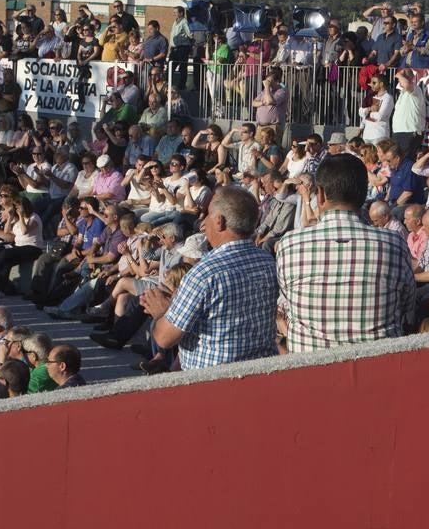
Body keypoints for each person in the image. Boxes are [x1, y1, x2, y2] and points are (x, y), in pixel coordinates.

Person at [275, 154, 415, 352]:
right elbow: (408, 307)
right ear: (362, 195)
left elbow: (288, 300)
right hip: (379, 368)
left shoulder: (289, 245)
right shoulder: (394, 244)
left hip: (308, 370)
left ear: (320, 194)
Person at [140, 186, 278, 369]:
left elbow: (165, 338)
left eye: (207, 215)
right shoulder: (268, 262)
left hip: (213, 381)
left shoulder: (203, 274)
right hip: (261, 372)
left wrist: (161, 312)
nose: (203, 223)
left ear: (219, 222)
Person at [391, 70, 426, 158]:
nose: (399, 82)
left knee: (406, 162)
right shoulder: (402, 93)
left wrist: (399, 74)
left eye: (401, 79)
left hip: (409, 133)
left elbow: (406, 85)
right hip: (398, 132)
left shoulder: (416, 89)